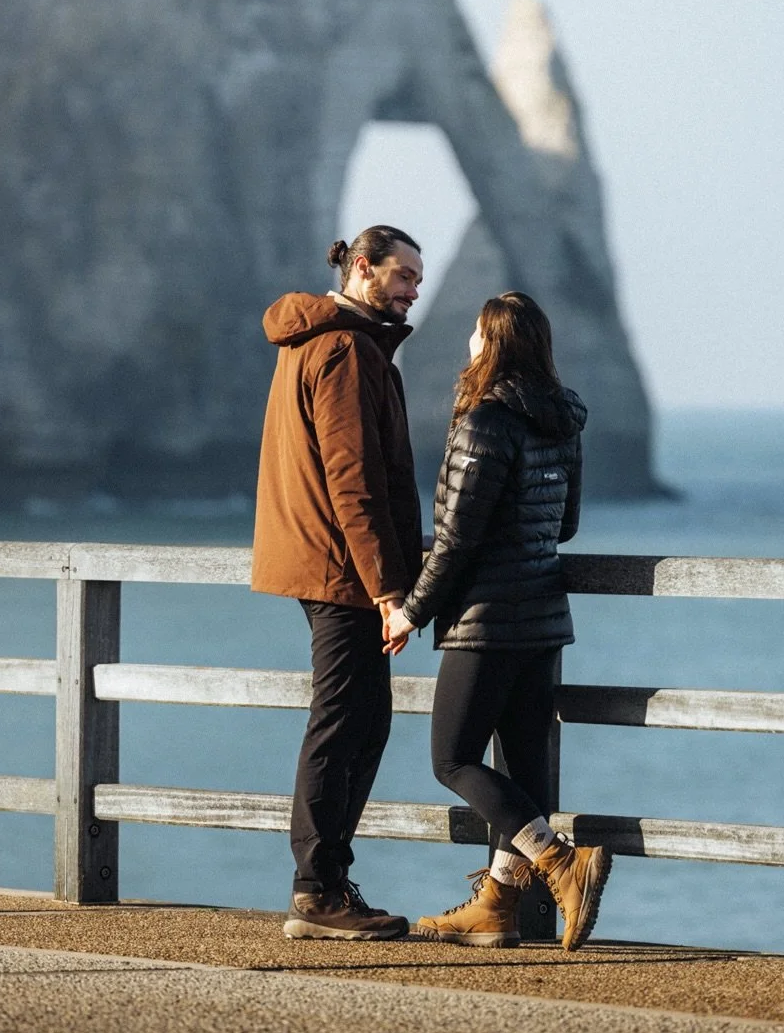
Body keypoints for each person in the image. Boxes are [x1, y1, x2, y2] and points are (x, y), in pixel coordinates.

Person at [384, 291, 610, 952]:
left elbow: (454, 539)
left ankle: (562, 862)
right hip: (542, 618)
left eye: (478, 335)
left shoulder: (482, 422)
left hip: (487, 619)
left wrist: (409, 611)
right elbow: (565, 524)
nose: (470, 346)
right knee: (525, 765)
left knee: (452, 758)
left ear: (494, 344)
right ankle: (496, 911)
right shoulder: (561, 421)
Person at [251, 226, 424, 940]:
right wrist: (388, 589)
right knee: (344, 721)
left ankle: (326, 881)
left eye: (418, 277)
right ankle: (318, 890)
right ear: (362, 269)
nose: (414, 289)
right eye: (403, 275)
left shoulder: (310, 339)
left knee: (363, 719)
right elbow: (352, 482)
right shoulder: (346, 350)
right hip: (342, 567)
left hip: (321, 558)